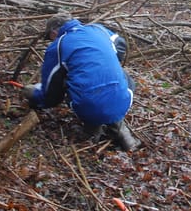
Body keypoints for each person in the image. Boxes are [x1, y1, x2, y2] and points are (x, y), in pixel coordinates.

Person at [22, 12, 141, 151]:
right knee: (121, 76)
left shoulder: (58, 46)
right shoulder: (98, 29)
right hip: (123, 101)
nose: (51, 40)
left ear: (54, 31)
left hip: (88, 107)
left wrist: (33, 94)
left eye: (50, 37)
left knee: (68, 81)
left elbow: (51, 96)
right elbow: (121, 44)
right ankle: (123, 133)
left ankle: (93, 130)